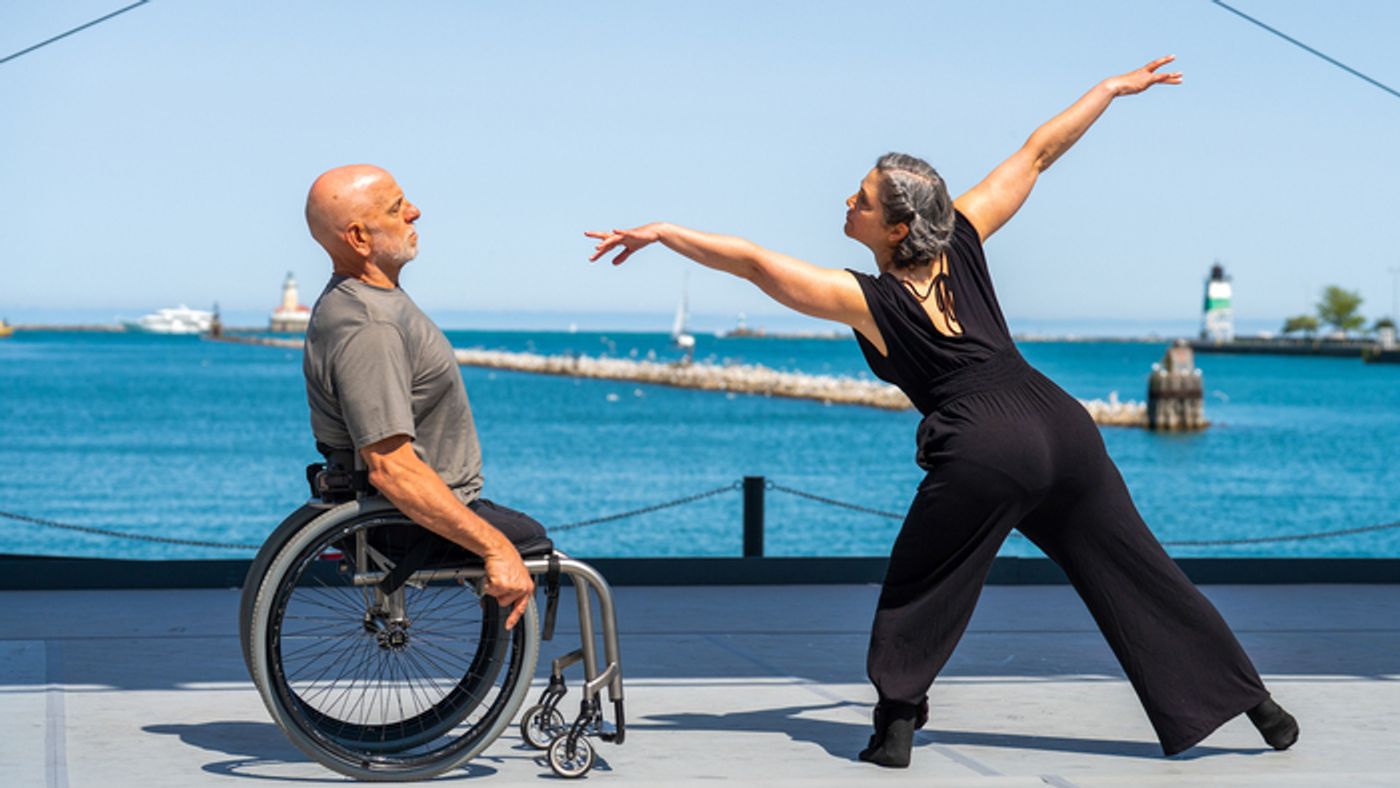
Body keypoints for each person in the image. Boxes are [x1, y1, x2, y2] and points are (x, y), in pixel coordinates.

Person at [586, 57, 1299, 766]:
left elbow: (753, 264)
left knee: (924, 584)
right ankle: (1259, 709)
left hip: (986, 440)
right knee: (1139, 570)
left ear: (896, 229)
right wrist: (1110, 90)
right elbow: (1039, 153)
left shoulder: (865, 298)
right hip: (1060, 421)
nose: (847, 202)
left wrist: (664, 231)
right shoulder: (964, 233)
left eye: (861, 199)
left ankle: (895, 726)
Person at [302, 164, 547, 630]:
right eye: (397, 209)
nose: (416, 212)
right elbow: (391, 467)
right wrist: (495, 548)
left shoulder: (369, 301)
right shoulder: (369, 325)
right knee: (539, 547)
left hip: (399, 510)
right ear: (359, 238)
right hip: (405, 522)